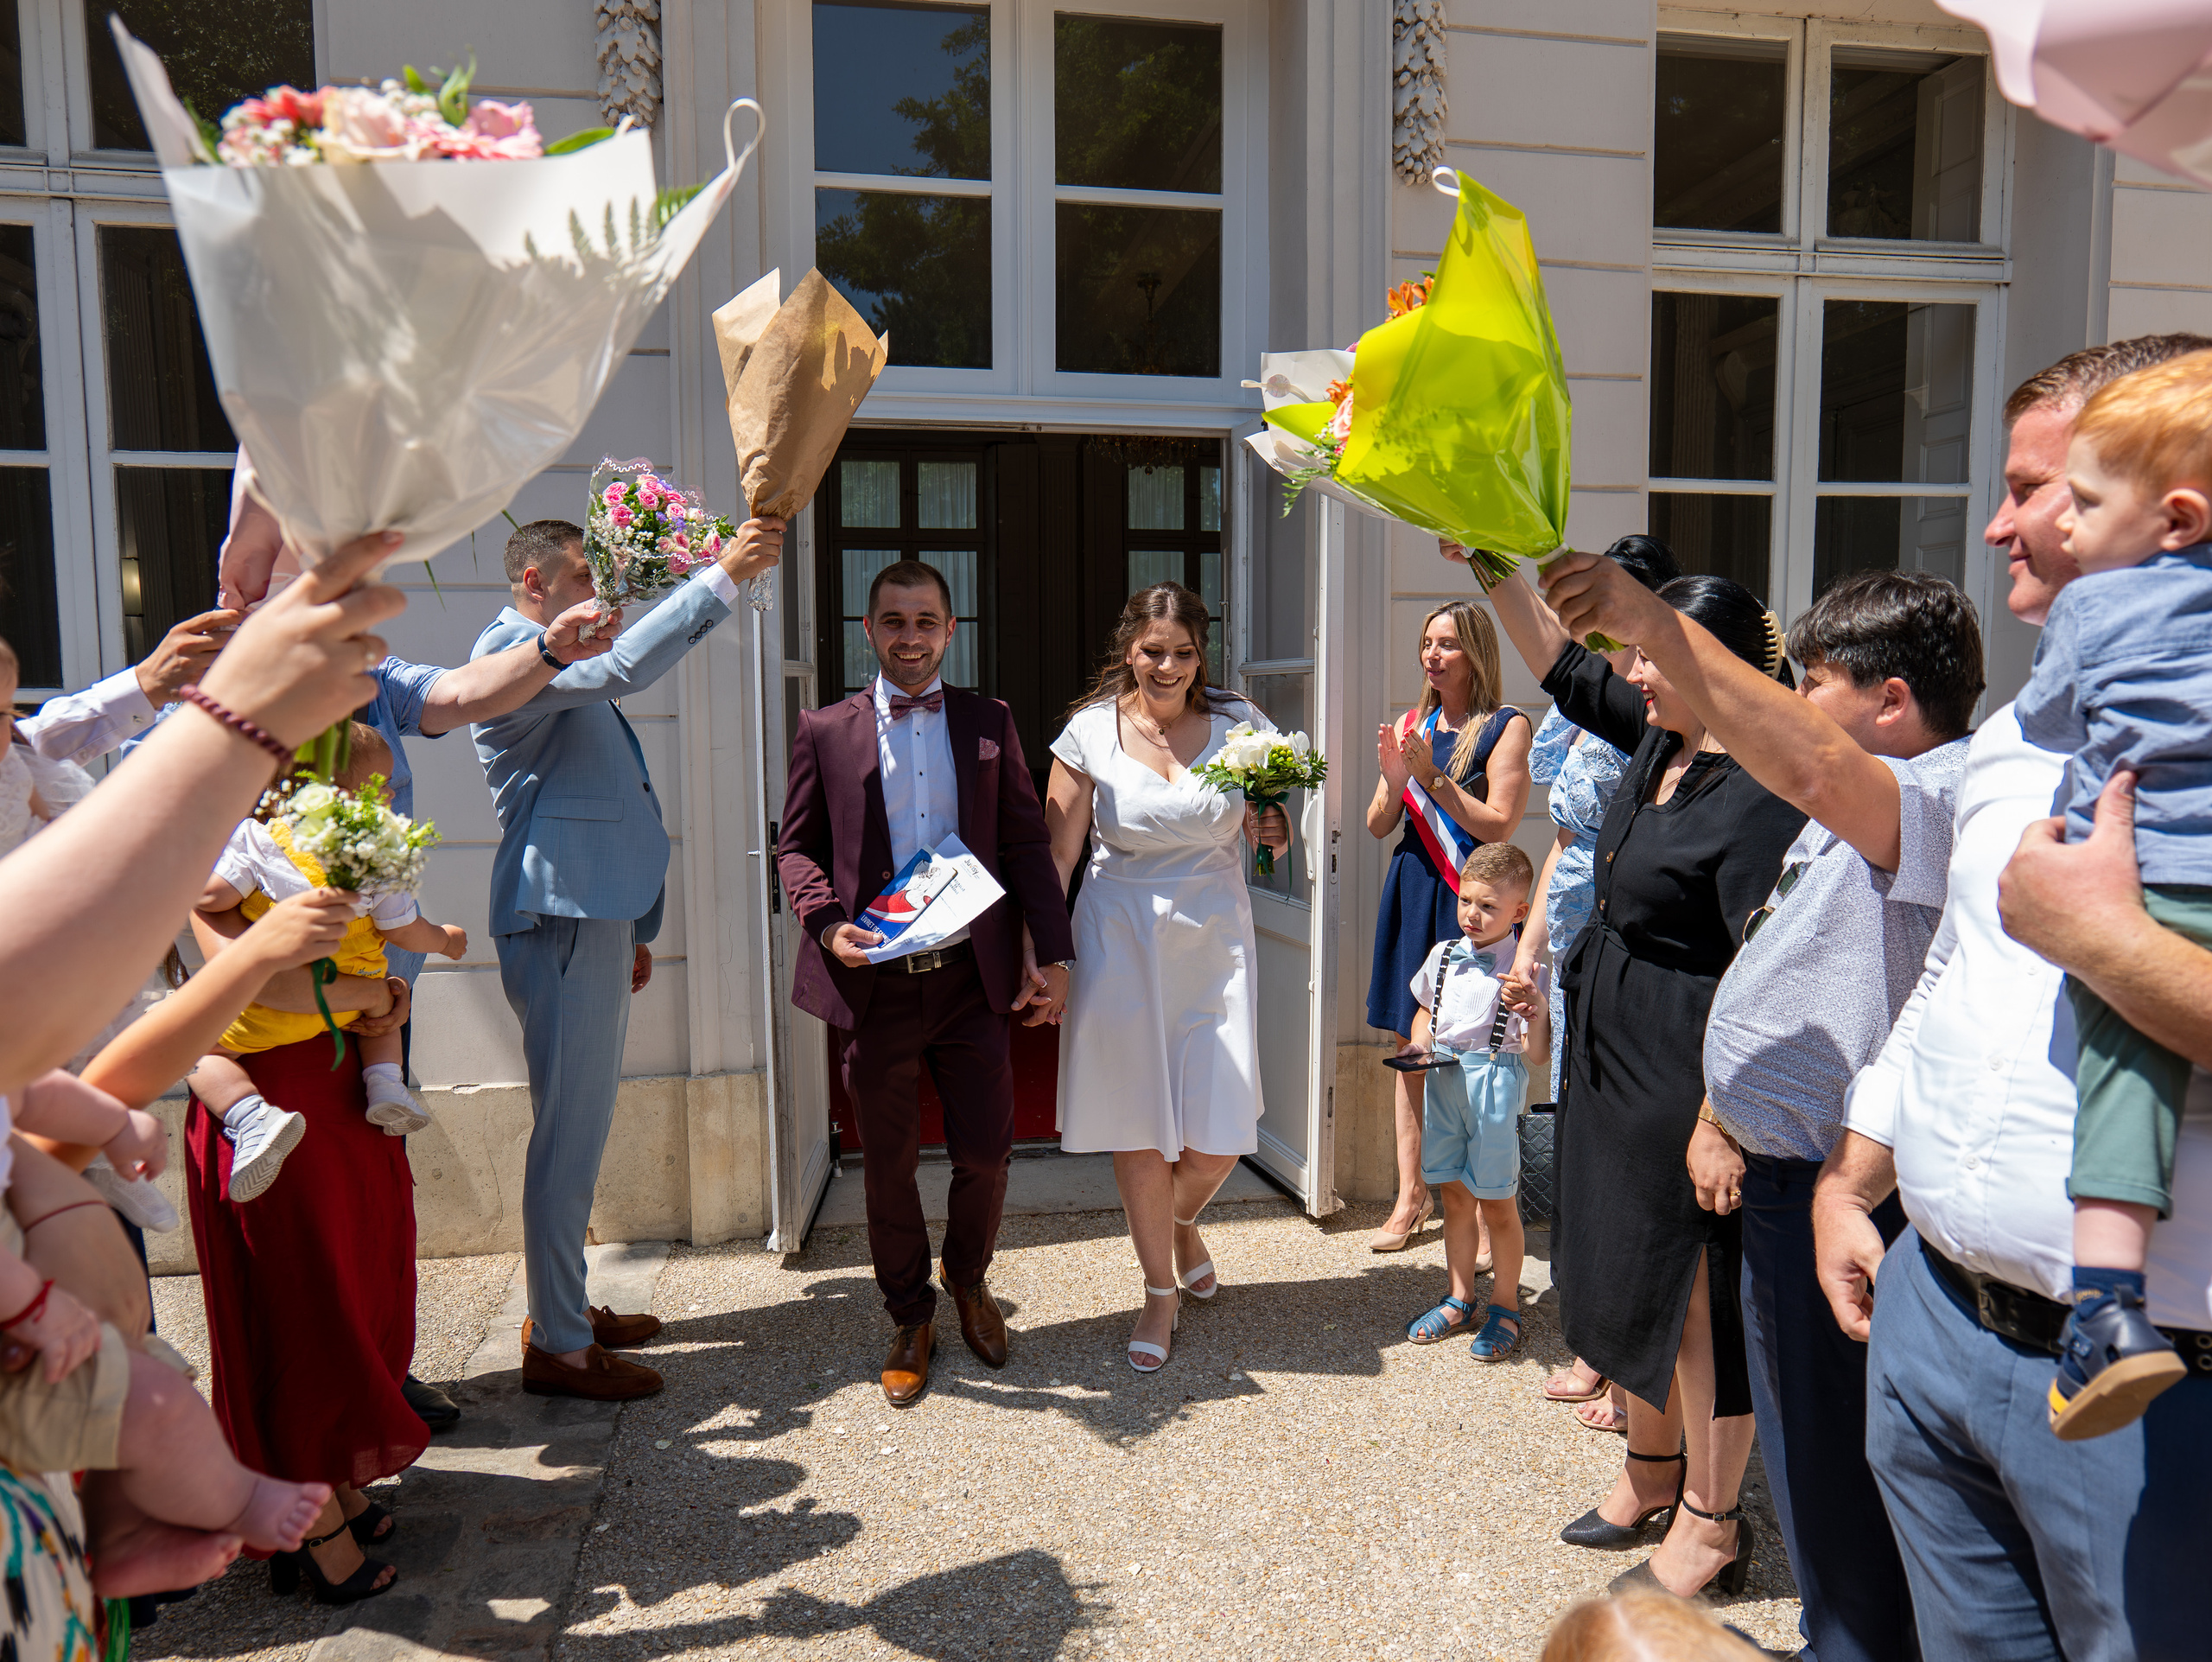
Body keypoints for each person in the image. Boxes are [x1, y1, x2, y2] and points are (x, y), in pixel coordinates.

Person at [1813, 335, 2212, 1662]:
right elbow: (1954, 969)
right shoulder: (2016, 735)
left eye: (2047, 486)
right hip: (1935, 1319)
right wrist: (1853, 1175)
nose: (2001, 524)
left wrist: (2100, 940)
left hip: (2155, 1385)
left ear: (2174, 498)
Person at [1542, 557, 1984, 1659]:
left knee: (1845, 1462)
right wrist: (1721, 1111)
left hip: (1848, 1191)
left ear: (1889, 701)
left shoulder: (1926, 795)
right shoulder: (1845, 807)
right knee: (1815, 1464)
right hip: (1785, 1172)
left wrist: (1645, 616)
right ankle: (1837, 1632)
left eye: (1816, 682)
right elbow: (1777, 964)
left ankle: (1856, 1642)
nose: (1793, 706)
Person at [1482, 553, 1805, 1601]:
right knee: (1624, 1268)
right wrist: (1483, 553)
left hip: (1688, 1056)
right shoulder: (1661, 738)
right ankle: (1650, 1472)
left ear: (1709, 661)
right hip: (1612, 1045)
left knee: (1694, 1296)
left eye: (1651, 656)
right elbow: (1561, 667)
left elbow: (1766, 959)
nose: (1631, 676)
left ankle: (1714, 1524)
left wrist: (1722, 1111)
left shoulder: (1760, 782)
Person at [473, 513, 783, 1403]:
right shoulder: (511, 650)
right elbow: (619, 668)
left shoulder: (543, 654)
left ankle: (561, 1309)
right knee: (568, 1139)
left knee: (580, 1128)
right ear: (533, 585)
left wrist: (630, 927)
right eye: (581, 579)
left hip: (587, 916)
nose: (596, 599)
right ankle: (562, 1346)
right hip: (562, 916)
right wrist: (720, 575)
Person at [778, 560, 1072, 1406]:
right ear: (867, 631)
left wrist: (1050, 956)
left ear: (950, 631)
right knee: (888, 1164)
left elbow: (1023, 844)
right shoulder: (824, 729)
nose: (910, 636)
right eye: (894, 621)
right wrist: (826, 919)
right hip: (872, 986)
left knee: (986, 1151)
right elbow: (795, 845)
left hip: (967, 979)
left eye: (926, 621)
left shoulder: (989, 722)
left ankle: (968, 1278)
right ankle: (909, 1312)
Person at [2009, 352, 2212, 1436]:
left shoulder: (2097, 608)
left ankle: (2104, 1312)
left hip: (2138, 886)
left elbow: (2043, 721)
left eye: (2082, 503)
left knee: (2122, 1083)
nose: (2063, 529)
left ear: (2175, 517)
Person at [1046, 582, 1287, 1373]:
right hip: (1119, 936)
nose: (1169, 666)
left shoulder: (1242, 727)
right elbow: (1058, 856)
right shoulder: (1088, 732)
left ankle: (1180, 1223)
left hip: (1216, 937)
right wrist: (1045, 954)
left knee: (1219, 1134)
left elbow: (1269, 843)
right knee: (1140, 1124)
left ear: (1199, 655)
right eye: (1154, 651)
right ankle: (1159, 1289)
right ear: (1129, 649)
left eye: (1183, 652)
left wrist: (1272, 828)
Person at [3, 1066, 332, 1593]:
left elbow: (24, 1085)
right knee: (156, 1405)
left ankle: (124, 1537)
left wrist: (112, 1123)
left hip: (69, 1331)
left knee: (118, 1431)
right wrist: (29, 1306)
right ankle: (240, 1499)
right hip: (23, 1344)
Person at [1516, 535, 1681, 1431]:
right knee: (1577, 1125)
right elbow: (1562, 839)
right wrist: (1529, 950)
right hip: (1574, 925)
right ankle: (1593, 1326)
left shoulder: (1664, 707)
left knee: (1621, 1138)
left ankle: (1632, 1353)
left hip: (1639, 926)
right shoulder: (1583, 707)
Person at [188, 727, 469, 1201]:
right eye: (380, 783)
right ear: (338, 795)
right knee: (385, 1009)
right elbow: (404, 930)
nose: (390, 793)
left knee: (197, 1052)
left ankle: (250, 1116)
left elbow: (211, 897)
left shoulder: (256, 837)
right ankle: (386, 1085)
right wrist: (444, 940)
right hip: (352, 1010)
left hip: (266, 1020)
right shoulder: (380, 854)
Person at [1363, 601, 1531, 1253]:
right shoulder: (1413, 722)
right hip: (1414, 886)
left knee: (1477, 1052)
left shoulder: (1505, 726)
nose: (1433, 655)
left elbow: (1499, 824)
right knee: (1415, 1047)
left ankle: (1489, 1209)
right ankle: (1412, 1196)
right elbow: (1381, 823)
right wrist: (1395, 780)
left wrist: (1433, 778)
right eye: (1427, 642)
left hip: (1473, 899)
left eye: (1448, 644)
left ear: (1476, 652)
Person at [1400, 842, 1547, 1362]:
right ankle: (1459, 1297)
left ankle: (1505, 1306)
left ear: (1520, 913)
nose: (1472, 915)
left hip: (1494, 1085)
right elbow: (1424, 1011)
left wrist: (1537, 1008)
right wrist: (1419, 1045)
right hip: (1443, 1081)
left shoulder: (1524, 969)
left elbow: (1539, 1055)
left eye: (1488, 906)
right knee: (1455, 1198)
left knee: (1498, 1204)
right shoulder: (1443, 955)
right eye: (1466, 901)